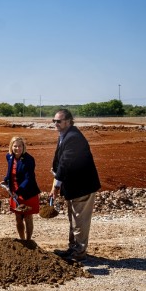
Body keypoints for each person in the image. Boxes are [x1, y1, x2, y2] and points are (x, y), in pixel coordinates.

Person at [51, 109, 101, 261]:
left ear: (68, 121)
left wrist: (56, 185)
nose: (55, 124)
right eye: (54, 121)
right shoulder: (66, 135)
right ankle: (73, 249)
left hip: (82, 187)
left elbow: (66, 162)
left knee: (80, 221)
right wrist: (56, 172)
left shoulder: (73, 137)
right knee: (74, 220)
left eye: (58, 121)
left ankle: (78, 253)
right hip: (75, 186)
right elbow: (62, 161)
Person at [3, 136, 41, 240]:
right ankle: (22, 240)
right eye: (15, 146)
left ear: (23, 147)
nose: (17, 148)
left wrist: (18, 191)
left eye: (20, 146)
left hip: (27, 192)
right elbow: (10, 172)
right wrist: (6, 180)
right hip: (14, 191)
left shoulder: (29, 159)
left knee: (28, 217)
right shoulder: (9, 157)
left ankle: (28, 240)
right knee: (18, 218)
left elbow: (29, 178)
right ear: (11, 147)